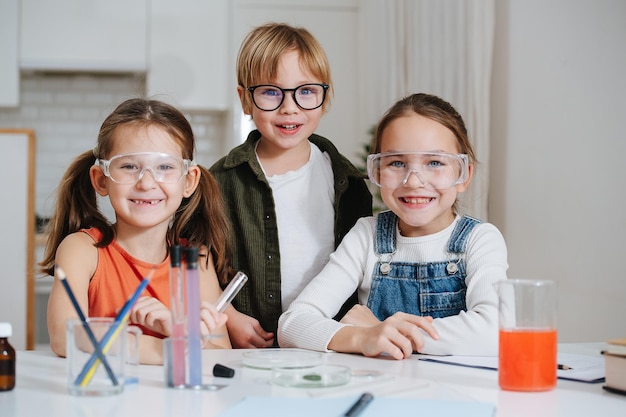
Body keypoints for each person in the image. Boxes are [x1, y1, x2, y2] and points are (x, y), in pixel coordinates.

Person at [278, 93, 509, 359]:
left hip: (454, 395)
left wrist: (381, 330)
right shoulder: (367, 236)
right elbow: (292, 325)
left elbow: (496, 333)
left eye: (435, 163)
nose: (413, 181)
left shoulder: (480, 240)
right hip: (381, 391)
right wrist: (364, 336)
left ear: (463, 175)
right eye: (397, 163)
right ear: (376, 171)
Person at [210, 23, 372, 348]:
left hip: (329, 347)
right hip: (253, 350)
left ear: (325, 98)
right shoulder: (220, 182)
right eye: (271, 91)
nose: (289, 106)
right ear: (245, 100)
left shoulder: (349, 183)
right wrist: (227, 314)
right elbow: (199, 267)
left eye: (306, 91)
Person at [43, 98, 233, 364]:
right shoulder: (81, 250)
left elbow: (221, 352)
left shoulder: (196, 258)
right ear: (101, 179)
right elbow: (65, 335)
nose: (146, 182)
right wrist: (169, 348)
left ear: (188, 181)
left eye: (165, 167)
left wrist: (175, 332)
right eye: (129, 166)